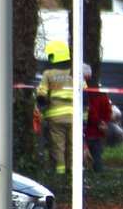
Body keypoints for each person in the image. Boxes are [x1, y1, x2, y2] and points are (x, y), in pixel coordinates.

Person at [35, 40, 76, 174]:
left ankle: (60, 173)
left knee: (58, 146)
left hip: (56, 117)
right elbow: (85, 93)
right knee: (72, 146)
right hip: (74, 117)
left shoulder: (49, 74)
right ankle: (72, 171)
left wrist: (42, 109)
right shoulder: (75, 72)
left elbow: (41, 95)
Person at [83, 64, 112, 170]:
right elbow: (108, 109)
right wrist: (104, 123)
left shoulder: (84, 90)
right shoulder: (100, 91)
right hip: (99, 131)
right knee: (97, 157)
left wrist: (98, 122)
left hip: (87, 130)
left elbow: (89, 111)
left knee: (82, 156)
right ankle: (99, 175)